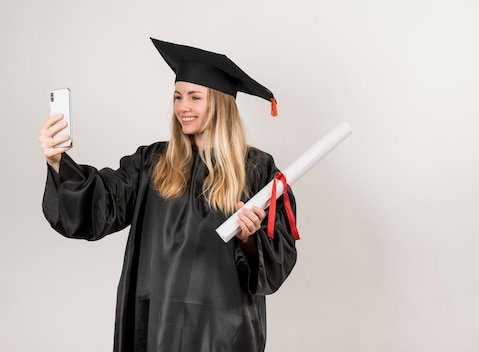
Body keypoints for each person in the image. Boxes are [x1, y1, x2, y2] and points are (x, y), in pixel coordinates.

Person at [39, 38, 299, 352]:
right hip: (155, 325)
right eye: (177, 97)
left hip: (222, 331)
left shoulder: (257, 170)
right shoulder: (151, 163)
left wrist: (250, 237)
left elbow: (276, 263)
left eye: (194, 97)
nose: (182, 107)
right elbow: (100, 203)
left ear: (219, 103)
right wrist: (57, 162)